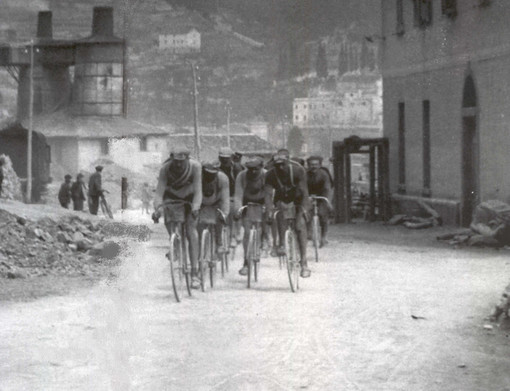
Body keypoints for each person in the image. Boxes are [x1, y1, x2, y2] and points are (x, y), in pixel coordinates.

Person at [153, 148, 202, 289]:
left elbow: (198, 191)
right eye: (176, 162)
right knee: (170, 222)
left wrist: (196, 207)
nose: (178, 165)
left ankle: (194, 273)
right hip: (172, 199)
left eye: (181, 161)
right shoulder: (165, 169)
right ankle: (174, 244)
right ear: (171, 159)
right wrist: (157, 207)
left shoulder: (195, 167)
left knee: (191, 232)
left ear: (187, 159)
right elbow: (159, 192)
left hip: (189, 199)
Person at [264, 149, 312, 278]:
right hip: (281, 199)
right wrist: (269, 210)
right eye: (277, 165)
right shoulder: (270, 175)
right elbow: (268, 195)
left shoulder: (298, 170)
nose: (280, 167)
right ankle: (281, 244)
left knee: (300, 226)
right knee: (277, 213)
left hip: (298, 198)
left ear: (288, 162)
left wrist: (303, 211)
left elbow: (304, 192)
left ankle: (304, 262)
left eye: (282, 164)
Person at [234, 156, 267, 275]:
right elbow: (238, 195)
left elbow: (270, 194)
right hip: (247, 203)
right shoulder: (242, 176)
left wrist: (269, 208)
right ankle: (246, 263)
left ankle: (265, 240)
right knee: (247, 233)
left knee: (264, 224)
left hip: (263, 202)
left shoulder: (266, 175)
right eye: (250, 169)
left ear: (261, 167)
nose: (253, 172)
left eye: (256, 169)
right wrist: (238, 209)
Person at [200, 161, 230, 254]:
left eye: (212, 174)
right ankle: (200, 248)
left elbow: (225, 198)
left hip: (217, 202)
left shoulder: (222, 178)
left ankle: (219, 243)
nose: (210, 176)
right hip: (201, 203)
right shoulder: (198, 177)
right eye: (207, 174)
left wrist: (224, 213)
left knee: (219, 219)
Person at [218, 146, 244, 246]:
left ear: (231, 158)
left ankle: (234, 234)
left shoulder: (237, 168)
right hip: (221, 195)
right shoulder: (217, 168)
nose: (224, 160)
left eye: (226, 158)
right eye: (222, 158)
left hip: (234, 194)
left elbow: (240, 184)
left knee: (233, 209)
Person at [306, 155, 332, 247]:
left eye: (316, 164)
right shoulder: (305, 174)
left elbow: (327, 188)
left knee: (323, 214)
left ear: (320, 165)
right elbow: (302, 187)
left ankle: (324, 237)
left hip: (322, 195)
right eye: (311, 164)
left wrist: (327, 200)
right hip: (308, 196)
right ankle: (308, 233)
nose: (313, 167)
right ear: (308, 165)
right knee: (306, 213)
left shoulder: (324, 174)